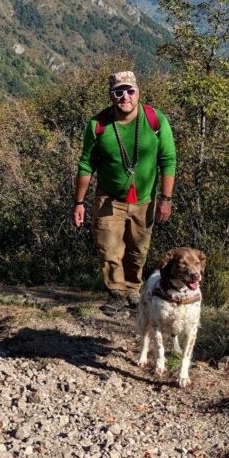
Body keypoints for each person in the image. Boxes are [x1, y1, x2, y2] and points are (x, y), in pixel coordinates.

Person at [73, 71, 176, 315]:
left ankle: (133, 291)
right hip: (109, 197)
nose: (125, 97)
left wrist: (166, 198)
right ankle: (116, 293)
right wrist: (79, 202)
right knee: (108, 248)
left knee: (138, 249)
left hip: (145, 198)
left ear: (138, 92)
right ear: (111, 96)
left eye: (130, 91)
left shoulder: (155, 120)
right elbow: (86, 164)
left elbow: (168, 159)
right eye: (119, 92)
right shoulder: (98, 125)